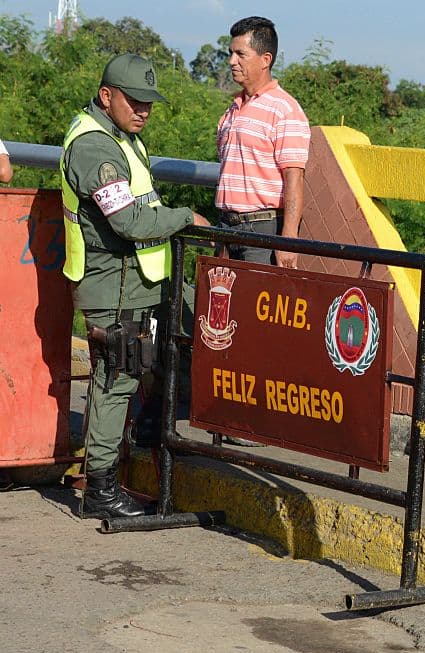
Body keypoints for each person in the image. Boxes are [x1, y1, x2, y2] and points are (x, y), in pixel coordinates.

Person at [61, 54, 211, 519]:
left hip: (136, 283)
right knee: (114, 382)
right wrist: (185, 217)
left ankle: (109, 479)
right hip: (114, 287)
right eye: (135, 100)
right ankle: (101, 491)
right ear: (107, 96)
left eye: (149, 102)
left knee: (129, 377)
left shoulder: (120, 138)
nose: (144, 110)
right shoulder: (94, 148)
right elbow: (127, 219)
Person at [215, 16, 310, 268]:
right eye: (230, 53)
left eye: (240, 54)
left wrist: (288, 241)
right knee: (221, 304)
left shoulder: (284, 109)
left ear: (265, 60)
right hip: (226, 226)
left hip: (261, 230)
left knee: (251, 305)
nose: (232, 61)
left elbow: (294, 177)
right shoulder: (232, 110)